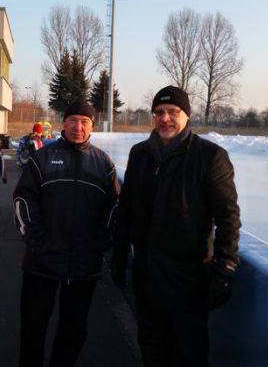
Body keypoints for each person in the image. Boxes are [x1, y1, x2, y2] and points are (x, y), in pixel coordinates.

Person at [111, 86, 241, 366]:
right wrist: (119, 254)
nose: (165, 118)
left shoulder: (210, 157)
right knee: (152, 350)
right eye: (159, 112)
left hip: (188, 282)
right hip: (147, 277)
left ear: (187, 115)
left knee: (188, 355)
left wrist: (225, 268)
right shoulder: (140, 154)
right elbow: (127, 208)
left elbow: (228, 217)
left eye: (173, 112)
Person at [13, 101, 120, 367]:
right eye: (73, 120)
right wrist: (36, 241)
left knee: (74, 331)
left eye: (85, 121)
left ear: (92, 126)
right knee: (33, 328)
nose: (78, 127)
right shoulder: (42, 158)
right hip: (42, 262)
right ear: (64, 122)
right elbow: (23, 199)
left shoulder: (103, 163)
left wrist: (101, 241)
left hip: (84, 265)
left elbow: (114, 207)